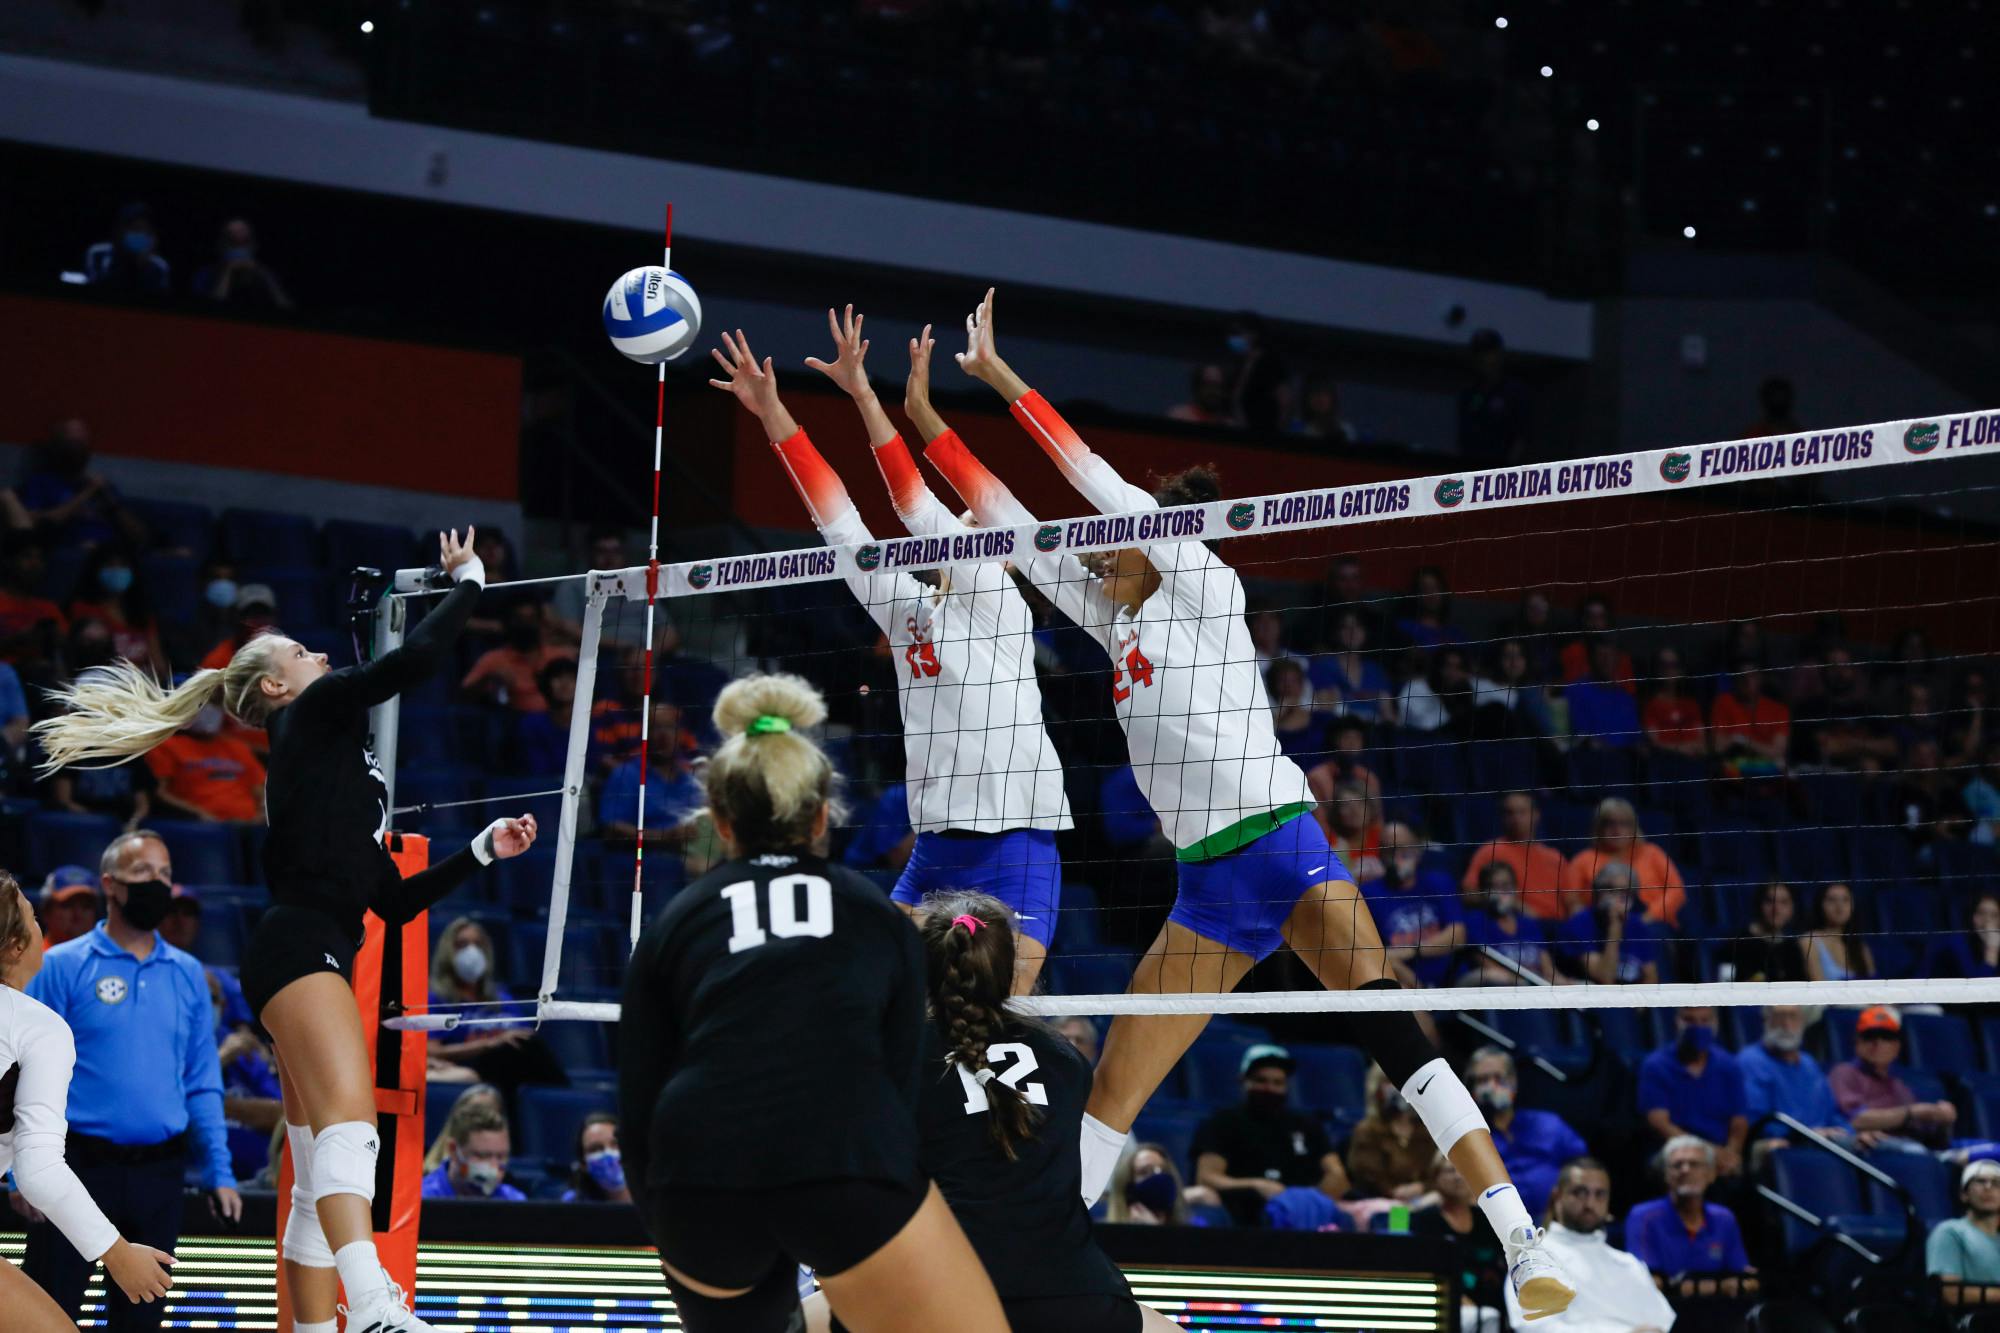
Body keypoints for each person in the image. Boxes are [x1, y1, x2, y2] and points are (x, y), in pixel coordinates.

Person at [928, 290, 1571, 1315]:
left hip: (1282, 839)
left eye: (1114, 535)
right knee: (1116, 1088)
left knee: (1391, 1027)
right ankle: (1030, 1274)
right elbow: (1008, 525)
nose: (1096, 547)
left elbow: (1084, 474)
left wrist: (1000, 379)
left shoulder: (1196, 572)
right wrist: (924, 420)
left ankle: (1520, 1240)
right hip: (1209, 890)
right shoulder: (1116, 616)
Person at [32, 527, 539, 1333]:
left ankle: (313, 1326)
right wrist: (469, 582)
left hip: (304, 945)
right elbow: (408, 666)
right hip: (304, 948)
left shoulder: (325, 754)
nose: (318, 657)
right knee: (350, 1128)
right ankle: (371, 1304)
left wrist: (482, 848)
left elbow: (396, 902)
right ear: (276, 686)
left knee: (314, 1171)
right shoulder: (310, 713)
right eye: (302, 650)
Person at [616, 672, 1006, 1333]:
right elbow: (899, 1079)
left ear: (719, 821)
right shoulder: (873, 913)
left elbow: (638, 1091)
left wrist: (671, 1221)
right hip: (842, 1150)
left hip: (700, 1168)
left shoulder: (676, 920)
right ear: (822, 815)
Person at [709, 310, 1073, 993]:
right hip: (934, 847)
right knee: (877, 999)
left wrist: (867, 398)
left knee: (1004, 1017)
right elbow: (838, 520)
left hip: (1014, 845)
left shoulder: (1003, 605)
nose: (971, 526)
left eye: (976, 526)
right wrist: (771, 411)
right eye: (968, 520)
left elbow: (916, 508)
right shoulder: (908, 607)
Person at [806, 892, 1180, 1331]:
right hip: (1076, 1296)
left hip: (943, 1291)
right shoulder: (1065, 1058)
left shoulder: (892, 1055)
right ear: (1010, 968)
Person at [16, 832, 236, 1331]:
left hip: (160, 1171)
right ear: (111, 885)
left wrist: (220, 1170)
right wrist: (19, 1173)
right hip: (75, 1165)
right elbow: (20, 1071)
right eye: (144, 875)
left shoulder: (189, 975)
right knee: (49, 1313)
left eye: (165, 875)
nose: (158, 885)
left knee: (142, 1317)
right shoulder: (61, 966)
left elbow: (202, 1079)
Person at [0, 871, 178, 1332]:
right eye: (34, 917)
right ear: (18, 947)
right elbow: (38, 1170)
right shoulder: (37, 1026)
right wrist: (117, 1254)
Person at [1505, 1159, 1676, 1333]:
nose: (1590, 1204)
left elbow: (1661, 1322)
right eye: (1580, 1192)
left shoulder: (1629, 1264)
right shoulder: (1533, 1258)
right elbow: (1536, 1328)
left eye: (1599, 1194)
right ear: (1557, 1196)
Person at [1191, 1045, 1347, 1228]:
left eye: (1277, 1083)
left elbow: (1336, 1174)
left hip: (1299, 1211)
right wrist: (1256, 1185)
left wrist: (1308, 1199)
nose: (1269, 1088)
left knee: (1349, 1219)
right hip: (1244, 1210)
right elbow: (1207, 1177)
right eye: (1261, 1080)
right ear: (1243, 1080)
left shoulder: (1307, 1124)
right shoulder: (1222, 1122)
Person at [1465, 1049, 1587, 1218]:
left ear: (1513, 1081)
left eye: (1499, 1078)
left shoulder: (1548, 1124)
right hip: (1500, 1225)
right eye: (1483, 1080)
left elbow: (1583, 1167)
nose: (1492, 1086)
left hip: (1557, 1220)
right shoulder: (1470, 1137)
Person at [1829, 1006, 1957, 1149]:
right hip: (1868, 1147)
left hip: (1907, 1146)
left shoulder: (1899, 1086)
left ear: (1896, 1047)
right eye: (1870, 1036)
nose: (1878, 1043)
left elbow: (1928, 1135)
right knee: (1914, 1150)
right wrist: (1912, 1112)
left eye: (1886, 1037)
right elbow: (1855, 1120)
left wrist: (1942, 1120)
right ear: (1857, 1042)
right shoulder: (1844, 1072)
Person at [1637, 1008, 1747, 1174]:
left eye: (1705, 1021)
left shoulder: (1729, 1065)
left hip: (1720, 1150)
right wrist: (1707, 1153)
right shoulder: (1655, 1065)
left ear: (1716, 1023)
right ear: (1676, 1022)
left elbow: (1739, 1121)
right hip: (1674, 1148)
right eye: (1690, 1020)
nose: (1698, 1027)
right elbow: (1659, 1123)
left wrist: (1731, 1152)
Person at [1738, 1005, 1861, 1153]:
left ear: (1803, 1022)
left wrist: (1853, 1135)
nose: (1786, 1024)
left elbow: (1832, 1114)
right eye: (1779, 1017)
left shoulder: (1809, 1064)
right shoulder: (1750, 1061)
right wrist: (1807, 1134)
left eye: (1793, 1017)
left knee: (1879, 1148)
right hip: (1790, 1146)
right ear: (1766, 1020)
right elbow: (1757, 1122)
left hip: (1825, 1143)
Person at [1623, 1138, 1752, 1277]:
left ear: (1711, 1174)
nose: (1685, 1170)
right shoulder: (1643, 1216)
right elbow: (1644, 1279)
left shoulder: (1724, 1218)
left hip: (1718, 1300)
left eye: (1694, 1164)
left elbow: (1742, 1275)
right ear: (1666, 1175)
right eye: (1677, 1165)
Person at [18, 419, 149, 552]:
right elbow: (35, 526)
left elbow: (140, 537)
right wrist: (87, 493)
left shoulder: (101, 486)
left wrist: (111, 502)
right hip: (70, 554)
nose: (77, 450)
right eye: (71, 443)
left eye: (82, 443)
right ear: (57, 446)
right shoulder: (41, 482)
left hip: (109, 556)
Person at [1410, 1153, 1507, 1333]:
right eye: (1449, 1171)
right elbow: (1424, 1269)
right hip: (1444, 1303)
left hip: (1493, 1302)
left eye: (1463, 1171)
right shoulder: (1425, 1220)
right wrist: (1456, 1297)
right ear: (1435, 1178)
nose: (1457, 1176)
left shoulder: (1486, 1220)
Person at [1361, 821, 1463, 988]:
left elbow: (1457, 935)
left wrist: (1411, 951)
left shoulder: (1439, 882)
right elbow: (1372, 953)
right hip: (1402, 982)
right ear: (1380, 855)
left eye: (1403, 848)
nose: (1397, 858)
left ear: (1418, 851)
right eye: (1390, 851)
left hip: (1452, 979)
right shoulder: (1368, 894)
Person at [1559, 798, 1687, 926]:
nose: (1617, 829)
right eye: (1609, 823)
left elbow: (1676, 892)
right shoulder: (1583, 860)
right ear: (1598, 827)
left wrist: (1646, 918)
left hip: (1651, 923)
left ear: (1634, 827)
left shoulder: (1652, 853)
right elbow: (1572, 901)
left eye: (1624, 823)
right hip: (1601, 925)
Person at [596, 701, 704, 849]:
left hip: (690, 852)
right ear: (643, 735)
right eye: (656, 728)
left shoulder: (690, 780)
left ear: (680, 734)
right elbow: (612, 829)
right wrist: (664, 836)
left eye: (670, 727)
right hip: (645, 856)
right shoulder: (626, 775)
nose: (664, 735)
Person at [142, 703, 266, 822]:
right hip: (198, 823)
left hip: (249, 823)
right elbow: (160, 793)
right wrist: (198, 814)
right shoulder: (166, 745)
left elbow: (260, 790)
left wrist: (262, 814)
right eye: (201, 705)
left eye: (215, 705)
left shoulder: (237, 747)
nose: (210, 711)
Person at [1462, 792, 1568, 923]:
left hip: (1558, 928)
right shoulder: (1491, 851)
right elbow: (1469, 894)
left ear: (1536, 815)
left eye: (1522, 812)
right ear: (1502, 817)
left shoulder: (1555, 857)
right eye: (1510, 813)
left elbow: (1570, 900)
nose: (1516, 818)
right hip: (1517, 925)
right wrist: (1511, 903)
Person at [1554, 862, 1663, 985]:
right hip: (1595, 997)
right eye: (1610, 890)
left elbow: (1651, 978)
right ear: (1597, 892)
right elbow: (1605, 978)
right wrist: (1615, 927)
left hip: (1632, 999)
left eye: (1624, 892)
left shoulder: (1637, 926)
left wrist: (1639, 1004)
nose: (1616, 898)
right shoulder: (1579, 924)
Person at [1345, 1064, 1438, 1203]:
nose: (1399, 1087)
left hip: (1425, 1199)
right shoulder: (1368, 1130)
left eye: (1404, 1080)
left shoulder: (1427, 1130)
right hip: (1384, 1203)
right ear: (1377, 1088)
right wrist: (1398, 1193)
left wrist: (1423, 1187)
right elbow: (1370, 1177)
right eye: (1390, 1081)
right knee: (1399, 1214)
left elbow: (1440, 1172)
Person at [461, 601, 575, 713]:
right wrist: (489, 680)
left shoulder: (561, 655)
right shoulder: (493, 659)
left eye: (531, 619)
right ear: (507, 623)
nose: (526, 626)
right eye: (519, 620)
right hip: (515, 724)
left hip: (563, 722)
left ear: (540, 622)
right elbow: (463, 695)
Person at [69, 546, 166, 675]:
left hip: (142, 687)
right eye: (110, 565)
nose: (117, 570)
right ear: (96, 571)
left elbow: (159, 667)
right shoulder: (84, 610)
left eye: (123, 565)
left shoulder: (142, 614)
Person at [418, 1104, 525, 1201]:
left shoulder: (513, 1199)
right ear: (453, 1150)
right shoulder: (421, 1200)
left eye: (501, 1156)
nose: (494, 1166)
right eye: (482, 1156)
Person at [1456, 329, 1531, 466]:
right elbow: (1464, 437)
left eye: (1489, 353)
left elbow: (1521, 437)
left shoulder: (1514, 392)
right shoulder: (1469, 393)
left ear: (1499, 354)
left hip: (1502, 473)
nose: (1484, 358)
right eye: (1480, 353)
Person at [1308, 609, 1396, 723]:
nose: (1352, 631)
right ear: (1336, 633)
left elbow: (1389, 715)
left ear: (1365, 632)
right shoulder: (1322, 667)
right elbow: (1325, 711)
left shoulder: (1375, 670)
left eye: (1358, 626)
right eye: (1345, 627)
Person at [1928, 1160, 2000, 1298]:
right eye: (1980, 1181)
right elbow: (1951, 1294)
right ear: (1964, 1194)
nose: (1988, 1187)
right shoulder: (1949, 1232)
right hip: (1978, 1318)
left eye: (1997, 1183)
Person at [191, 218, 293, 311]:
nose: (240, 258)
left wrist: (264, 275)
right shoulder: (206, 273)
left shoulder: (266, 275)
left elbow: (285, 307)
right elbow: (209, 308)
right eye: (232, 235)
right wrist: (228, 271)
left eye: (242, 232)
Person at [1713, 883, 1806, 983]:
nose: (1776, 909)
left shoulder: (1793, 947)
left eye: (1784, 902)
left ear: (1792, 908)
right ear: (1758, 904)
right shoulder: (1736, 943)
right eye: (1769, 901)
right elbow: (1725, 985)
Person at [1709, 660, 1789, 775]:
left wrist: (1742, 740)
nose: (1747, 681)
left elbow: (1777, 752)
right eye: (1742, 676)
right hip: (1733, 768)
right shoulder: (1723, 703)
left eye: (1752, 675)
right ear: (1735, 680)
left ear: (1760, 678)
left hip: (1768, 769)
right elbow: (1718, 747)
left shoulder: (1778, 709)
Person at [1105, 1143, 1211, 1225]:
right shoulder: (1102, 1236)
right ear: (1127, 1188)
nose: (1159, 1176)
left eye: (1164, 1170)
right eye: (1145, 1171)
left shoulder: (1193, 1229)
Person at [1564, 639, 1642, 750]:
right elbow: (1581, 734)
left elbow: (1636, 737)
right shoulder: (1576, 691)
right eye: (1601, 656)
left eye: (1611, 655)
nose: (1607, 661)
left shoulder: (1626, 698)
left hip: (1626, 761)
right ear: (1591, 659)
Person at [83, 203, 171, 294]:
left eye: (144, 230)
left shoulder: (159, 266)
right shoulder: (97, 254)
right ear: (121, 230)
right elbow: (95, 292)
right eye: (135, 229)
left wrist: (142, 267)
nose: (140, 234)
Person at [1801, 882, 1876, 983]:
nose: (1839, 906)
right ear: (1820, 904)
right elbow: (1818, 989)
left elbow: (1873, 986)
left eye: (1845, 900)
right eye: (1832, 900)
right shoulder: (1809, 941)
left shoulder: (1860, 945)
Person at [1641, 646, 1707, 760]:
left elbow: (1702, 741)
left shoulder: (1691, 704)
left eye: (1673, 665)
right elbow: (1654, 743)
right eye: (1664, 665)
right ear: (1656, 669)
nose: (1668, 670)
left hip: (1693, 763)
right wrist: (1679, 749)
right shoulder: (1651, 705)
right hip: (1665, 764)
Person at [561, 1113, 631, 1204]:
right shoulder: (573, 1204)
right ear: (583, 1164)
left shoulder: (654, 1200)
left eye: (615, 1144)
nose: (608, 1154)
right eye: (595, 1149)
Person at [1927, 892, 2000, 979]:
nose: (1987, 921)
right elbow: (1976, 988)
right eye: (1981, 913)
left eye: (1994, 915)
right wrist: (1992, 950)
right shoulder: (1956, 944)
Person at [36, 869, 99, 949]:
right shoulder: (33, 957)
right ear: (46, 912)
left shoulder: (107, 956)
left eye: (86, 906)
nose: (78, 913)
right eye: (67, 905)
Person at [1167, 364, 1233, 425]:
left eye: (1217, 386)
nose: (1213, 391)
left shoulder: (1227, 424)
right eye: (1209, 385)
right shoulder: (1178, 416)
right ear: (1197, 387)